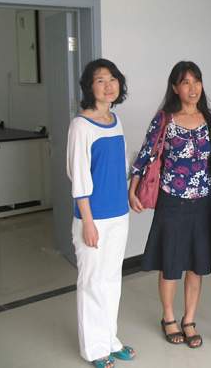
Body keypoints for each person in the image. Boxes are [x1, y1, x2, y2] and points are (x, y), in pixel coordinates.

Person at [128, 61, 211, 348]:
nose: (192, 87)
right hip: (171, 200)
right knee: (170, 262)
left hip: (202, 201)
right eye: (185, 82)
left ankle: (189, 319)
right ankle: (168, 317)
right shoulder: (165, 119)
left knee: (197, 265)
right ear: (175, 88)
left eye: (196, 81)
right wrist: (133, 190)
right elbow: (145, 155)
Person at [67, 59, 136, 368]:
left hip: (119, 214)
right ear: (89, 87)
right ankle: (94, 348)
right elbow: (79, 177)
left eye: (112, 79)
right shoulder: (81, 125)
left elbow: (118, 166)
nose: (108, 85)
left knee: (110, 279)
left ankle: (110, 340)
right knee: (92, 282)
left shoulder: (114, 120)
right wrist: (88, 222)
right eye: (100, 80)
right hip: (93, 217)